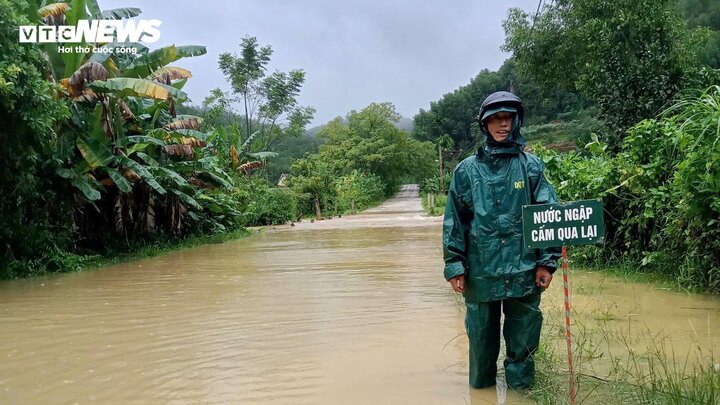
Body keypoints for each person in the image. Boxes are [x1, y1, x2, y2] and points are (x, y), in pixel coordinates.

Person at [442, 91, 561, 391]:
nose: (502, 124)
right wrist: (455, 265)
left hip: (525, 271)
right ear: (485, 125)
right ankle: (481, 393)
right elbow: (454, 220)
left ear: (516, 121)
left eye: (507, 117)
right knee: (481, 344)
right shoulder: (466, 171)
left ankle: (520, 393)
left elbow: (549, 214)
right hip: (481, 273)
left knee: (523, 341)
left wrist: (547, 263)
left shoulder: (531, 167)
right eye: (495, 119)